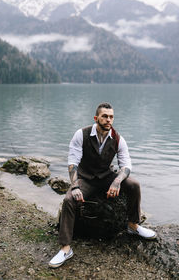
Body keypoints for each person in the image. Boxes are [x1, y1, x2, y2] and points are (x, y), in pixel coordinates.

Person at [49, 102, 156, 268]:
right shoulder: (81, 134)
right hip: (85, 179)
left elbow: (126, 165)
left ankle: (133, 225)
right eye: (105, 116)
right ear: (96, 118)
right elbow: (73, 163)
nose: (108, 120)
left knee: (134, 184)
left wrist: (116, 182)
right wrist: (76, 186)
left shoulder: (118, 138)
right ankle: (65, 248)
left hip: (107, 177)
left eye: (111, 117)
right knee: (69, 199)